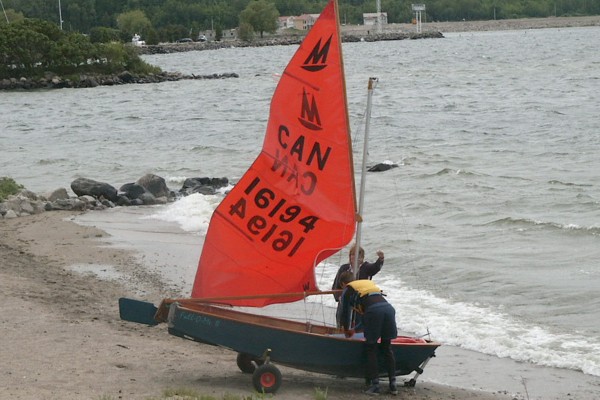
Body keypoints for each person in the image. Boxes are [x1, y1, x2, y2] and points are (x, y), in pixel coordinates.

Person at [338, 274, 398, 396]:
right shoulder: (366, 284)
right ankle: (393, 385)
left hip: (374, 311)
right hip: (388, 309)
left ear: (343, 284)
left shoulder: (348, 289)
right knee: (387, 348)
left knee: (371, 348)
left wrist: (346, 330)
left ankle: (375, 385)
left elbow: (345, 312)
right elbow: (366, 313)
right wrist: (356, 329)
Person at [332, 245, 384, 328]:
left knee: (359, 326)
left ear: (362, 258)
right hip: (345, 302)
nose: (354, 257)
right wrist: (339, 297)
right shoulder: (344, 268)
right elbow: (336, 285)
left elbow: (375, 267)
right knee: (342, 324)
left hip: (360, 305)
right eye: (352, 255)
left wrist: (380, 259)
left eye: (357, 255)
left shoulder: (366, 267)